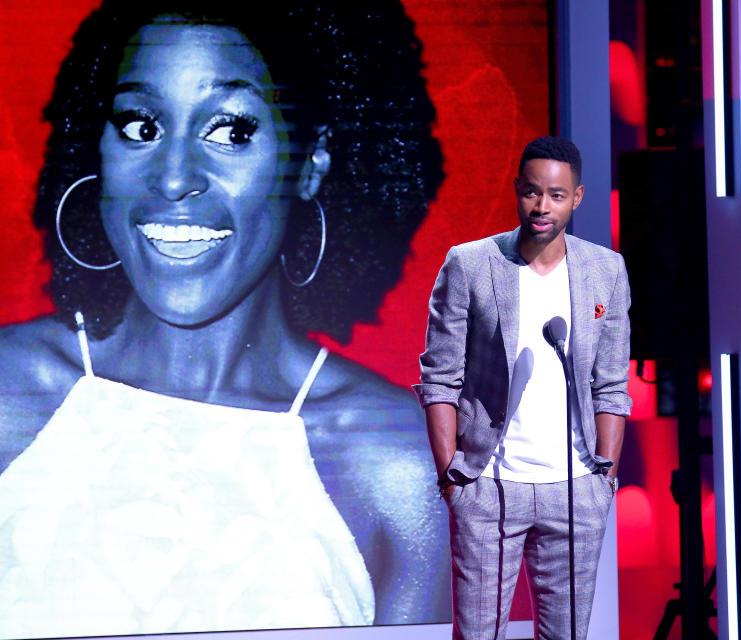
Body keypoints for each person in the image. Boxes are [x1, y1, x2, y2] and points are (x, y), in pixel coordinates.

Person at [0, 1, 448, 636]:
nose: (175, 177)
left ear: (310, 164)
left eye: (231, 131)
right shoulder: (8, 393)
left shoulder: (396, 457)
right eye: (139, 125)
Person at [415, 136, 631, 640]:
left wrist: (605, 477)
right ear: (518, 190)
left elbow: (612, 384)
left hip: (577, 490)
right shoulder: (470, 264)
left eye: (557, 195)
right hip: (489, 487)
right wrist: (454, 478)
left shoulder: (606, 270)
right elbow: (440, 377)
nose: (542, 206)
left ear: (577, 198)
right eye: (533, 192)